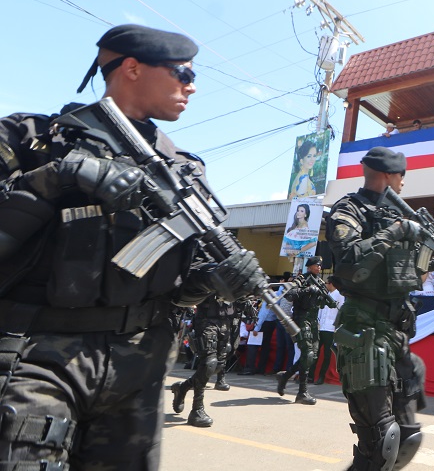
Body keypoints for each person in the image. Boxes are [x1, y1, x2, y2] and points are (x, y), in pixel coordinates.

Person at [0, 24, 267, 468]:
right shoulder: (33, 138)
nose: (192, 86)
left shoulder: (185, 172)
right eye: (183, 72)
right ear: (132, 68)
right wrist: (57, 177)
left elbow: (174, 283)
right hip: (37, 356)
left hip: (138, 368)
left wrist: (212, 280)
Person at [327, 146, 434, 470]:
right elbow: (348, 262)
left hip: (396, 330)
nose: (403, 183)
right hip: (364, 328)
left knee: (405, 437)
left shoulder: (398, 216)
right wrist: (396, 231)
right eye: (401, 176)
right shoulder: (350, 209)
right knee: (381, 439)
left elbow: (413, 267)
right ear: (389, 175)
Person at [276, 256, 336, 403]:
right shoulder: (301, 279)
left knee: (312, 356)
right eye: (317, 265)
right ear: (309, 266)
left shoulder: (321, 282)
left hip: (314, 320)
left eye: (320, 266)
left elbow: (321, 303)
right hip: (301, 318)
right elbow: (289, 295)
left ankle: (285, 375)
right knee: (308, 353)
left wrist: (326, 301)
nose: (319, 268)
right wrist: (308, 289)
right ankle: (302, 392)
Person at [171, 296, 235, 426]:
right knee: (208, 364)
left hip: (225, 320)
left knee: (219, 366)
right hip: (206, 320)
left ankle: (183, 387)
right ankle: (197, 410)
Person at [315, 276, 345, 383]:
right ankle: (311, 375)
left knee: (327, 354)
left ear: (331, 284)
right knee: (315, 352)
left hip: (331, 328)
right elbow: (321, 310)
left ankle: (321, 377)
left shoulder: (339, 296)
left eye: (327, 283)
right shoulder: (326, 295)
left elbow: (341, 312)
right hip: (321, 327)